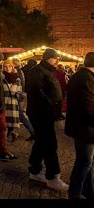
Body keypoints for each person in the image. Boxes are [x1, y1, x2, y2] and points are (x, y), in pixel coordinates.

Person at [26, 48, 68, 191]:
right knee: (50, 144)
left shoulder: (48, 71)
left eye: (58, 59)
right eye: (54, 58)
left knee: (41, 141)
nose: (57, 61)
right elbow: (38, 93)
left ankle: (35, 170)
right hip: (41, 113)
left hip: (46, 113)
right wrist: (51, 104)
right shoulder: (37, 71)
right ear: (46, 58)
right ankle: (53, 177)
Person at [65, 52, 94, 199]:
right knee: (85, 161)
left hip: (80, 125)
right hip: (84, 127)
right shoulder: (86, 79)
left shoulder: (80, 76)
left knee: (87, 161)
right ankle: (75, 193)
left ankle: (88, 191)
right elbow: (88, 107)